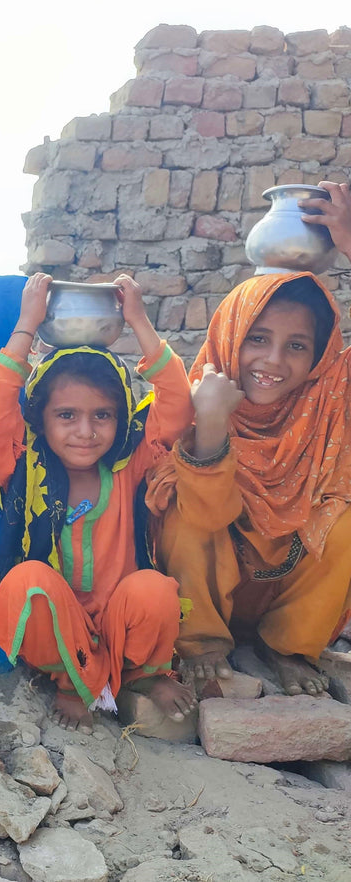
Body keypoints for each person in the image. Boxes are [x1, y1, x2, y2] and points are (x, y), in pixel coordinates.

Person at [0, 273, 196, 734]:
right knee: (26, 583)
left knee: (156, 590)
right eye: (66, 415)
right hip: (60, 621)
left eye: (102, 415)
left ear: (121, 420)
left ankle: (143, 674)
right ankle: (71, 679)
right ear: (40, 417)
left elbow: (177, 406)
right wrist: (27, 324)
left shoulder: (131, 462)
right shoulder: (24, 464)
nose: (85, 430)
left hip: (121, 616)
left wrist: (138, 320)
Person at [147, 261, 351, 695]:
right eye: (258, 339)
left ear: (318, 357)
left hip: (283, 584)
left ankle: (289, 646)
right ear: (231, 335)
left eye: (297, 346)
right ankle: (201, 643)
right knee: (181, 511)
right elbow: (207, 514)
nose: (273, 361)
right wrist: (213, 422)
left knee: (345, 522)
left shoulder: (328, 404)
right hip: (207, 584)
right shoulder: (194, 400)